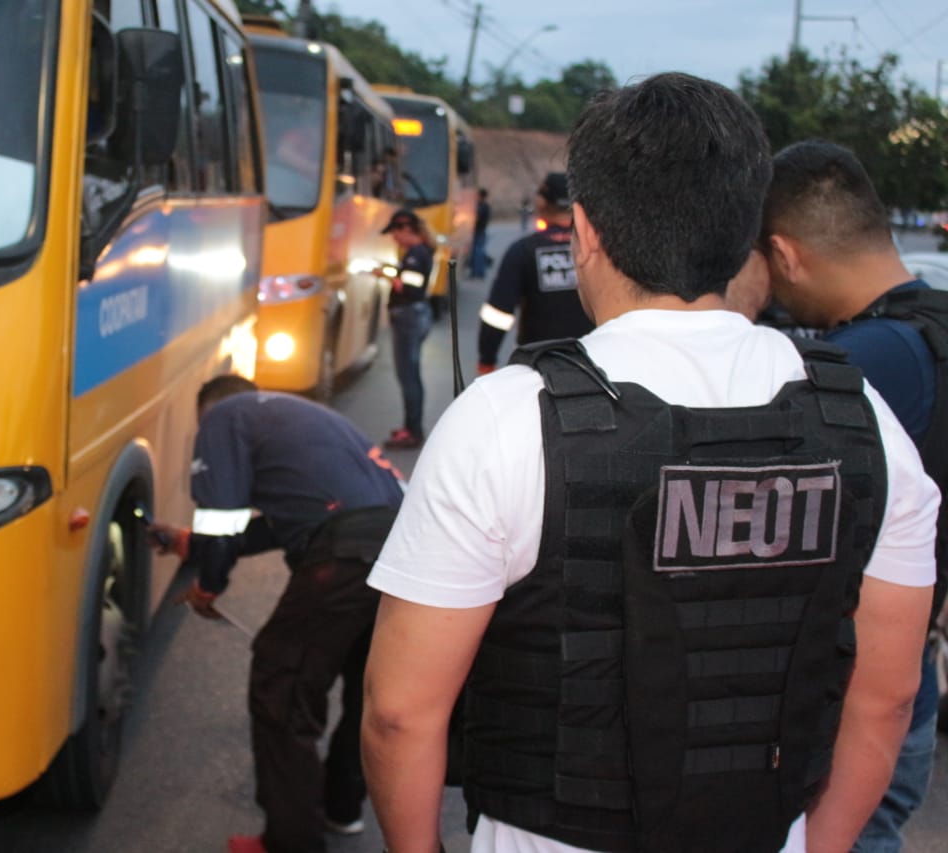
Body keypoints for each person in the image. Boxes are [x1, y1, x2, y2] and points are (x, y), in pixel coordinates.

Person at [361, 72, 937, 853]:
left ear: (586, 230)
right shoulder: (864, 420)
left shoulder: (504, 423)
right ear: (746, 236)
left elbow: (400, 712)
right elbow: (888, 700)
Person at [760, 139, 948, 852]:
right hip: (907, 689)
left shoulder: (857, 369)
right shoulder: (934, 332)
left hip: (846, 714)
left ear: (785, 254)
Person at [149, 374, 404, 853]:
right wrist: (189, 543)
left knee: (281, 683)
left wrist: (208, 582)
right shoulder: (302, 417)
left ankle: (291, 842)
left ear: (210, 408)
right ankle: (342, 807)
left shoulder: (224, 414)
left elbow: (221, 516)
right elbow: (304, 515)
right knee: (366, 684)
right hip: (404, 553)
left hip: (343, 556)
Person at [476, 171, 592, 373]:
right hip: (593, 364)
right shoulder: (595, 251)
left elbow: (498, 313)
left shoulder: (523, 250)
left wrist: (487, 359)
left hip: (537, 367)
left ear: (541, 203)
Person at [381, 208, 435, 449]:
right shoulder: (420, 252)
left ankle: (412, 431)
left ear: (405, 228)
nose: (394, 238)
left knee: (408, 376)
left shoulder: (415, 254)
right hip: (415, 316)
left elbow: (413, 287)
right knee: (410, 375)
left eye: (395, 232)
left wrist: (389, 276)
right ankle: (411, 427)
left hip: (409, 317)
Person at [469, 188, 492, 279]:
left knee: (478, 252)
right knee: (478, 252)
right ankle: (477, 272)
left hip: (479, 232)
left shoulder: (482, 206)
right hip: (480, 231)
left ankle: (478, 272)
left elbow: (477, 217)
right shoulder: (484, 206)